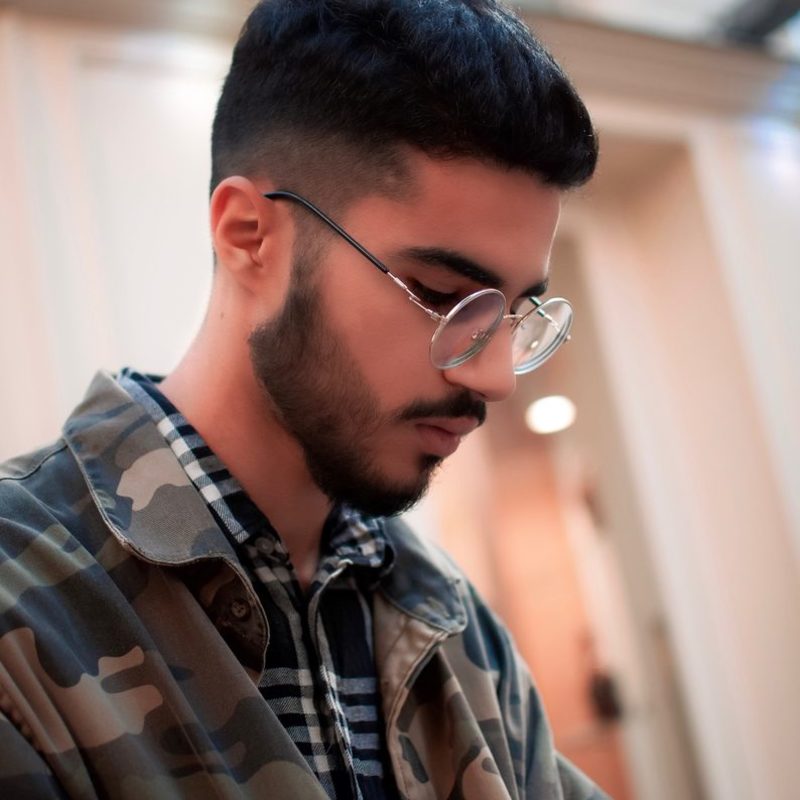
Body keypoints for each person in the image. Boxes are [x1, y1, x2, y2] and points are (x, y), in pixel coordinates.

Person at [0, 0, 603, 797]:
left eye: (517, 312)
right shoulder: (22, 606)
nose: (495, 379)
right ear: (248, 235)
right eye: (443, 294)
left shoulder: (456, 626)